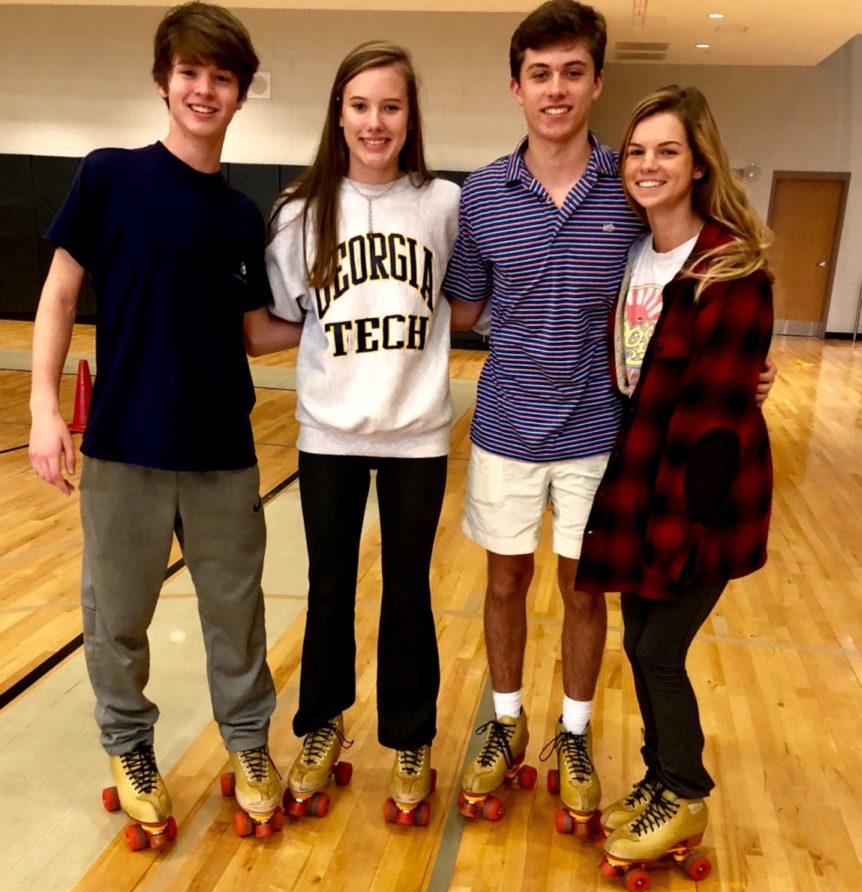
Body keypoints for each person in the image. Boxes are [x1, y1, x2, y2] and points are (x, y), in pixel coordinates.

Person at [445, 0, 775, 829]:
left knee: (584, 588)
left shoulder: (628, 188)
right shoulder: (481, 196)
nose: (556, 89)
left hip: (603, 433)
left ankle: (577, 733)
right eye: (539, 74)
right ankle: (507, 721)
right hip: (505, 428)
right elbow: (458, 313)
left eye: (573, 72)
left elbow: (703, 258)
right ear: (515, 87)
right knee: (505, 579)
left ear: (595, 82)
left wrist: (748, 364)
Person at [28, 2, 280, 846]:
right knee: (117, 616)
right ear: (165, 82)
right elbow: (60, 293)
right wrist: (43, 410)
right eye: (191, 74)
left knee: (235, 617)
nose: (204, 89)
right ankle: (129, 748)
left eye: (221, 77)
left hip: (223, 454)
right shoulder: (108, 175)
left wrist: (343, 317)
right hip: (124, 447)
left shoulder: (244, 215)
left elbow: (255, 333)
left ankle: (249, 747)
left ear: (241, 94)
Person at [246, 40, 460, 821]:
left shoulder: (444, 204)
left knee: (407, 592)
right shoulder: (301, 212)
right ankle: (321, 726)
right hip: (328, 433)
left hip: (416, 435)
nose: (376, 122)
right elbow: (275, 325)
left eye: (391, 106)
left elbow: (469, 305)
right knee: (328, 590)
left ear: (410, 117)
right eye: (361, 106)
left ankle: (410, 738)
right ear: (339, 114)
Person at [576, 85, 773, 876]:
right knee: (637, 637)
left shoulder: (730, 266)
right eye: (637, 151)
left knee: (659, 649)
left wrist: (680, 528)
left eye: (668, 151)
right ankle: (660, 778)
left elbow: (716, 424)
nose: (649, 165)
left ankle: (686, 793)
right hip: (639, 470)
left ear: (698, 165)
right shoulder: (635, 252)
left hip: (702, 496)